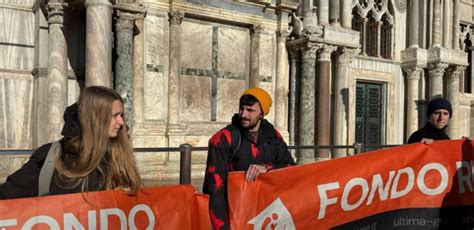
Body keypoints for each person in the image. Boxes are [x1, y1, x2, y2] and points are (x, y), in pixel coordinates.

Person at [0, 86, 142, 199]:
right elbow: (7, 195)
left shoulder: (120, 156)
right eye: (115, 116)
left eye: (121, 115)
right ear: (94, 119)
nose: (121, 122)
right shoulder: (52, 157)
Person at [203, 87, 296, 230]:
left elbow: (292, 170)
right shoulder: (223, 139)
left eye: (250, 110)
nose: (243, 114)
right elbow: (214, 190)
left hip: (270, 216)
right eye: (242, 109)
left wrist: (267, 169)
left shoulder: (274, 136)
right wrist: (223, 227)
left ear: (261, 113)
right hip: (236, 217)